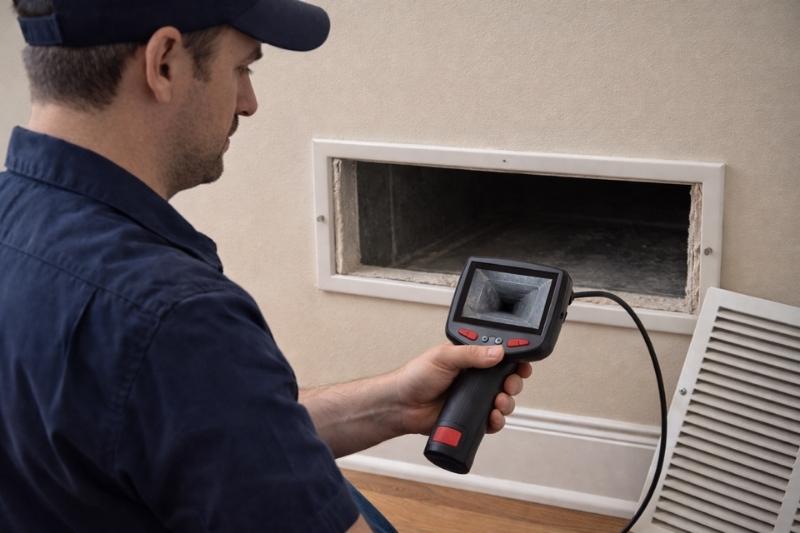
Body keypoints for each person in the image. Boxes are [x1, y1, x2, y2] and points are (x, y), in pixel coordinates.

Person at [0, 1, 532, 531]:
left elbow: (197, 433)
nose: (250, 102)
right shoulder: (175, 320)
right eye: (242, 68)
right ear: (163, 62)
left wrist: (393, 404)